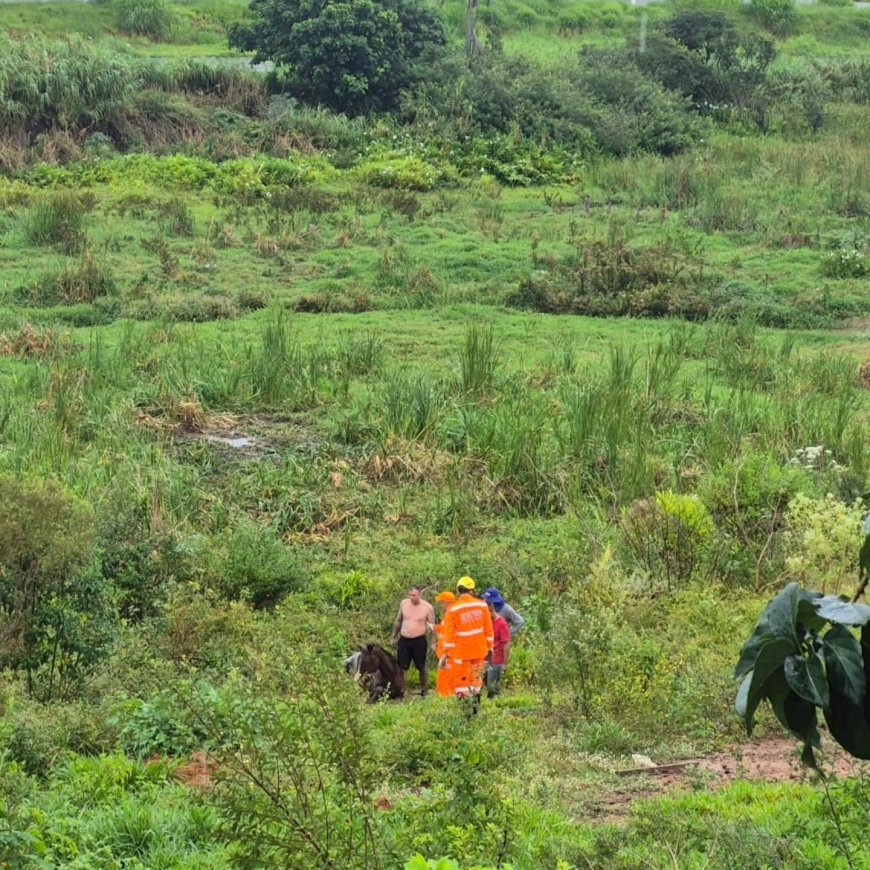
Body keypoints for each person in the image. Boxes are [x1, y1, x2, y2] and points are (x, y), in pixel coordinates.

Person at [439, 577, 493, 708]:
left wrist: (446, 654)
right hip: (479, 651)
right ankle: (475, 711)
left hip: (461, 654)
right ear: (472, 590)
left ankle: (465, 714)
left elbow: (449, 635)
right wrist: (490, 648)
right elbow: (488, 630)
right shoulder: (482, 605)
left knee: (461, 683)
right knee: (476, 681)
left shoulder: (453, 610)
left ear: (458, 591)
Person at [391, 585, 435, 697]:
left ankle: (424, 690)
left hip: (419, 640)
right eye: (410, 595)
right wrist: (393, 637)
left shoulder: (428, 607)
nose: (412, 597)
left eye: (414, 595)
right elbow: (398, 621)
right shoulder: (404, 603)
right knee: (402, 667)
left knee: (422, 666)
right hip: (404, 639)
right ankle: (401, 691)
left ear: (420, 594)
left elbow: (432, 628)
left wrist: (433, 643)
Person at [483, 593, 511, 699]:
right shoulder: (487, 622)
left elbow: (506, 644)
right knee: (485, 686)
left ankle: (497, 707)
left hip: (496, 661)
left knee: (492, 689)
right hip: (486, 659)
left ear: (491, 609)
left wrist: (504, 663)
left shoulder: (501, 624)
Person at [433, 590, 456, 698]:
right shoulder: (449, 614)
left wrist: (446, 653)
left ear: (446, 602)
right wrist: (435, 628)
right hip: (445, 652)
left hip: (448, 654)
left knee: (445, 678)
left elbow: (451, 635)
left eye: (441, 602)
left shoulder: (451, 614)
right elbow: (445, 630)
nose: (441, 605)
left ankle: (446, 699)